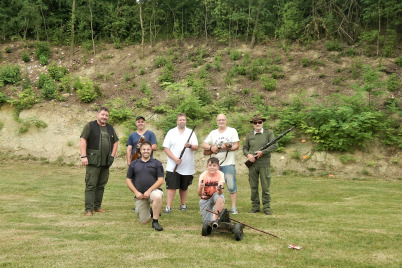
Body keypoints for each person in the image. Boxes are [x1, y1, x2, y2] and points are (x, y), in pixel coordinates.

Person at [80, 107, 119, 216]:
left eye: (106, 115)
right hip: (93, 161)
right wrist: (83, 156)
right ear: (98, 115)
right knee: (91, 185)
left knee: (101, 185)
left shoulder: (110, 128)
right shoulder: (90, 126)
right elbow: (83, 139)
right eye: (102, 114)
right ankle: (88, 209)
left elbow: (115, 142)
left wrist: (112, 155)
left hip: (105, 162)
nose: (104, 117)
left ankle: (97, 207)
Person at [201, 114, 240, 214]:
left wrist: (227, 148)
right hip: (215, 165)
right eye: (219, 120)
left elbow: (236, 145)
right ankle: (213, 206)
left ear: (226, 120)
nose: (221, 122)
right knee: (213, 185)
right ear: (216, 121)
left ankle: (234, 207)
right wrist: (211, 148)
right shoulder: (213, 133)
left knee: (231, 185)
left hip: (228, 163)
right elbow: (203, 144)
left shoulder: (232, 131)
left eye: (223, 120)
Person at [162, 113, 198, 213]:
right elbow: (166, 148)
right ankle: (168, 206)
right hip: (173, 165)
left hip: (187, 166)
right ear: (177, 121)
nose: (182, 121)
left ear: (186, 121)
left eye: (184, 120)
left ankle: (183, 205)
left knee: (184, 186)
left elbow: (196, 147)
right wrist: (174, 159)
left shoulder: (191, 132)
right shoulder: (171, 132)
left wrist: (189, 145)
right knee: (171, 186)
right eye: (180, 120)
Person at [243, 115, 278, 215]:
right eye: (255, 123)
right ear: (252, 124)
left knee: (265, 187)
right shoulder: (249, 135)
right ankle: (255, 207)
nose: (257, 124)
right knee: (253, 187)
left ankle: (266, 207)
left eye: (259, 122)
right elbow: (245, 148)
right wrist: (248, 154)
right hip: (252, 164)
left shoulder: (269, 133)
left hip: (264, 164)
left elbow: (275, 145)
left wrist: (263, 152)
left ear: (263, 123)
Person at [126, 141, 164, 231]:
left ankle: (155, 221)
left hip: (153, 192)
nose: (146, 151)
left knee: (158, 196)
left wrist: (149, 191)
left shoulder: (157, 163)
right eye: (144, 149)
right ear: (140, 150)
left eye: (148, 149)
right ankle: (150, 212)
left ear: (151, 150)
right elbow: (128, 180)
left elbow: (161, 180)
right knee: (143, 221)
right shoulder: (133, 164)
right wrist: (136, 192)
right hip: (140, 195)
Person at [197, 157, 225, 223]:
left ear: (218, 167)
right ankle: (211, 214)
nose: (212, 167)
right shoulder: (203, 175)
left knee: (220, 198)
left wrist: (219, 188)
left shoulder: (221, 174)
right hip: (205, 198)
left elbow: (220, 193)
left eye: (214, 165)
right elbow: (199, 194)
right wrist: (201, 187)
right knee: (206, 221)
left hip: (216, 194)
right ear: (207, 167)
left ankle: (216, 219)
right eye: (210, 165)